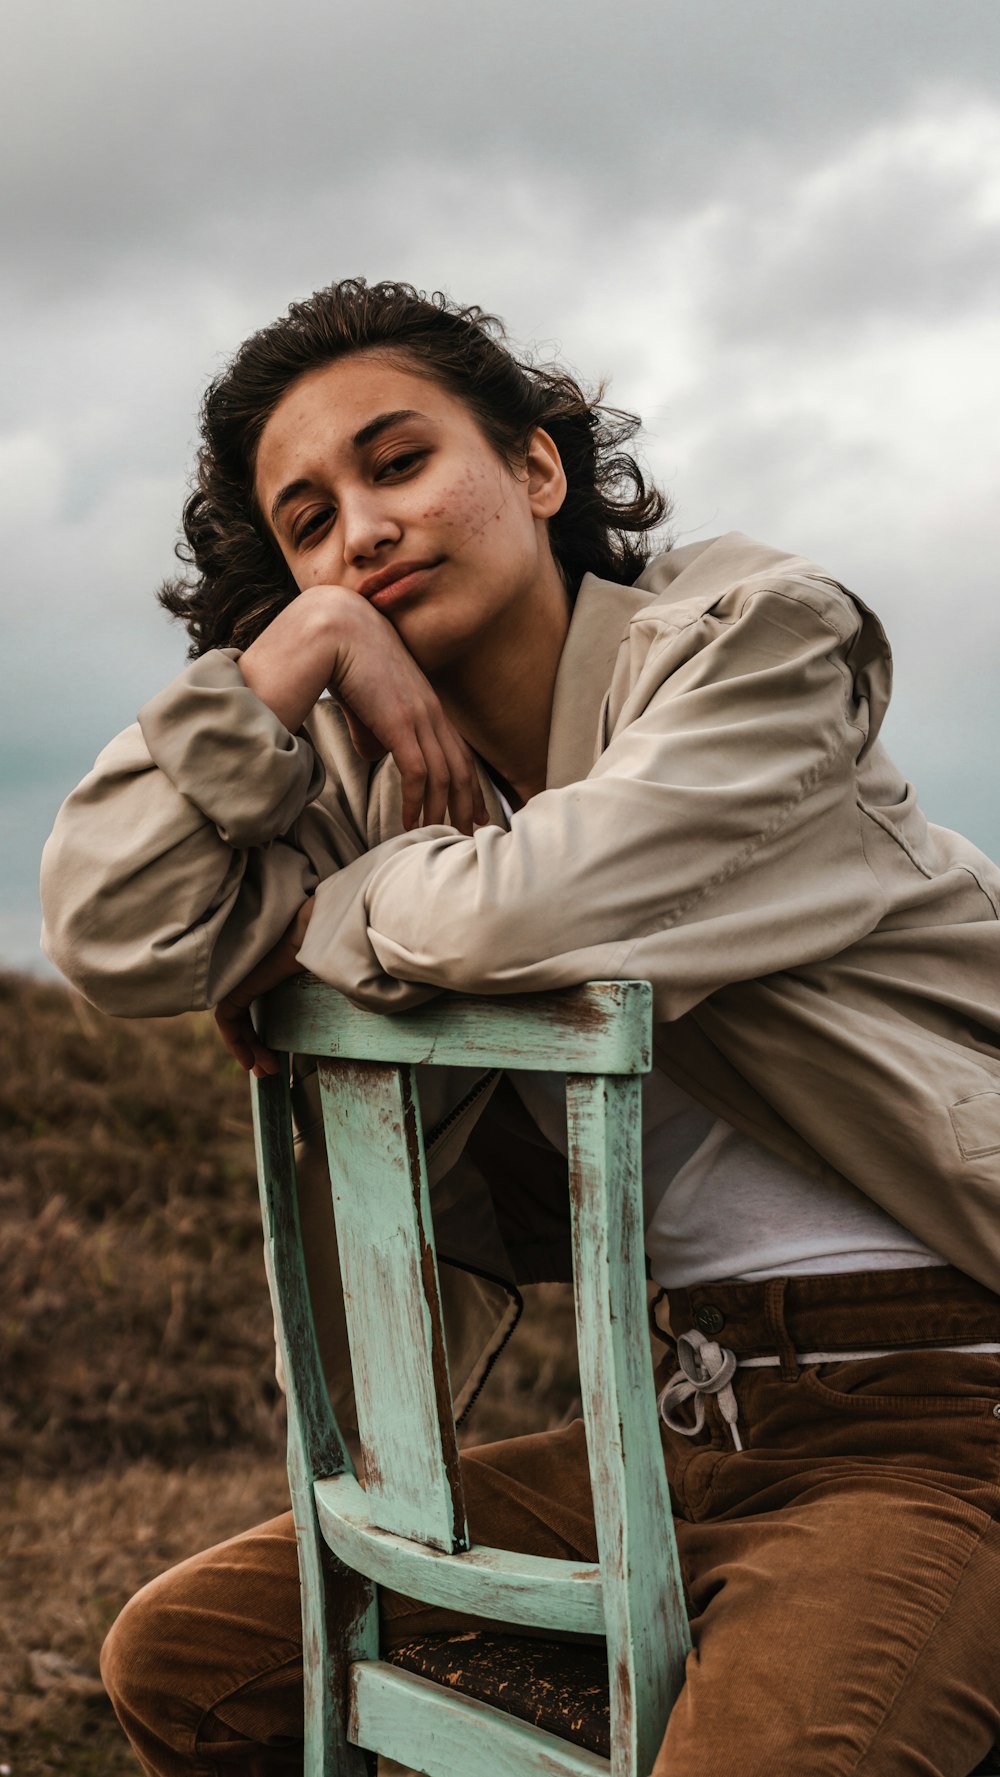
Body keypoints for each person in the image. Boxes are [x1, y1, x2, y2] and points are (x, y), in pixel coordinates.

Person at [40, 278, 1000, 1777]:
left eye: (399, 461)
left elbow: (529, 915)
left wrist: (319, 929)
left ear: (539, 472)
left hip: (943, 1411)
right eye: (309, 524)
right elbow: (111, 925)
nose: (359, 529)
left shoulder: (758, 644)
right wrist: (292, 664)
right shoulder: (359, 771)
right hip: (683, 1423)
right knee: (187, 1663)